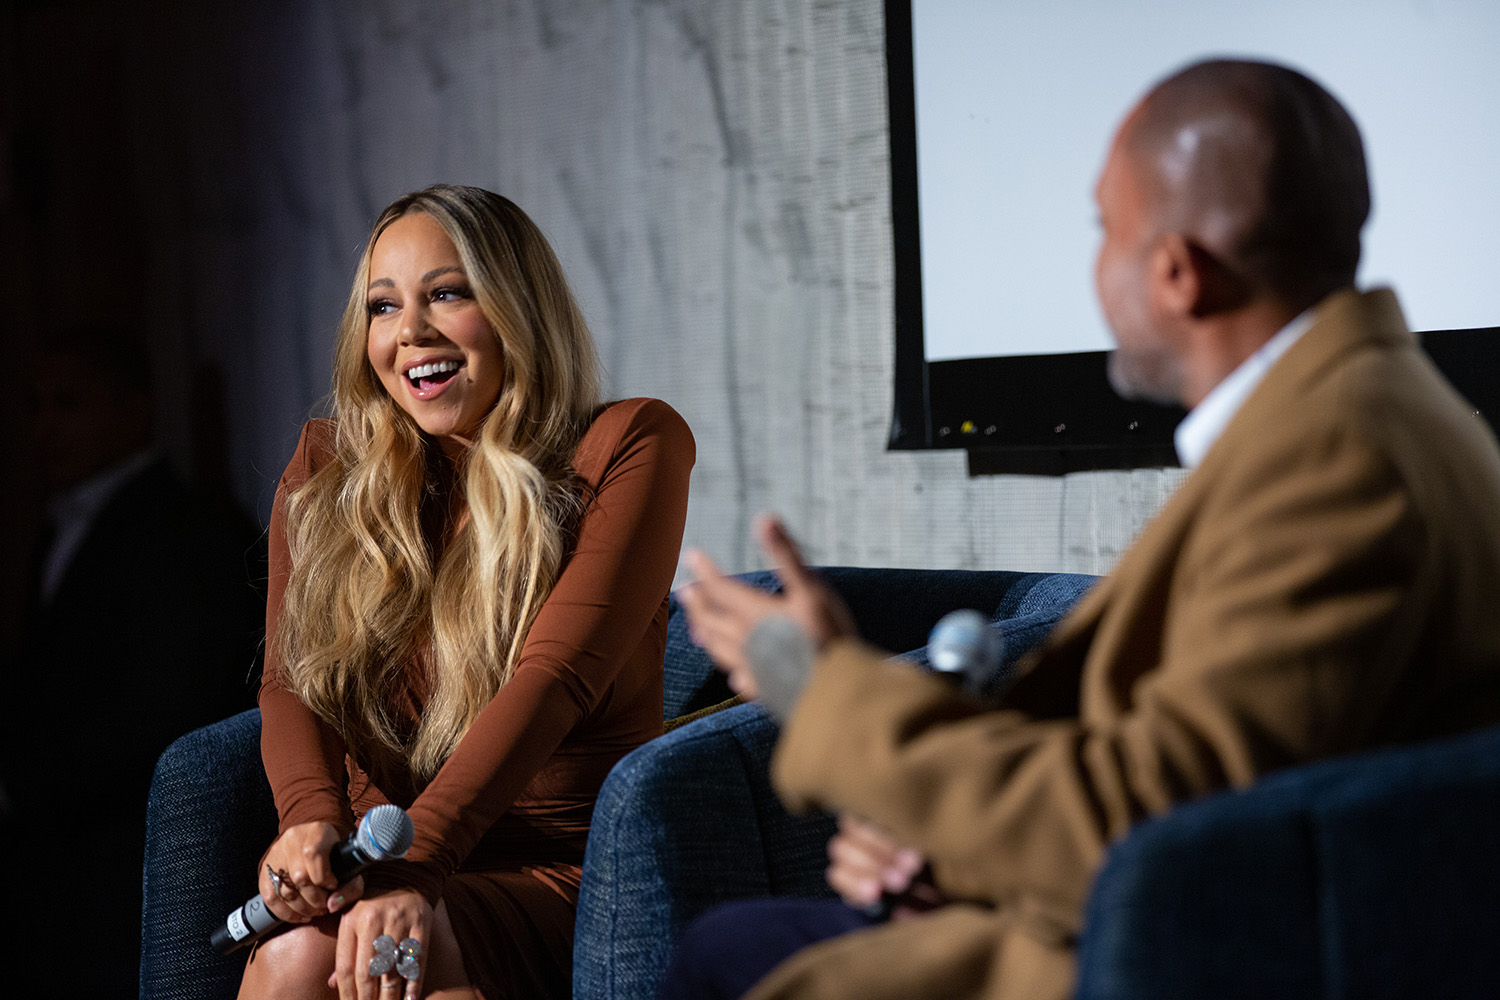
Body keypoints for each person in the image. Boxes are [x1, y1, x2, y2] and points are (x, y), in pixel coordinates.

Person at [666, 59, 1500, 1000]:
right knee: (734, 943)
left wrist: (824, 690)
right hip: (1147, 922)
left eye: (1106, 230)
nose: (1096, 268)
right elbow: (1202, 772)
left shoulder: (1336, 463)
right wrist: (948, 849)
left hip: (1144, 962)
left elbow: (1164, 839)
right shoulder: (1350, 417)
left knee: (723, 959)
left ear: (1177, 273)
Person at [239, 185, 694, 1000]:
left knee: (405, 949)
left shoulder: (628, 445)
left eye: (447, 294)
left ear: (520, 308)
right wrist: (308, 820)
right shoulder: (328, 470)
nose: (410, 331)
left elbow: (555, 678)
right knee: (294, 955)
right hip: (377, 863)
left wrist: (416, 866)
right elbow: (290, 679)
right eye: (384, 306)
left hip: (559, 874)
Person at [2, 328, 263, 997]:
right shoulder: (65, 522)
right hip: (65, 877)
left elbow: (164, 713)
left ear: (134, 409)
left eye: (69, 403)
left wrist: (23, 786)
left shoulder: (182, 531)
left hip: (132, 878)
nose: (45, 427)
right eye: (35, 406)